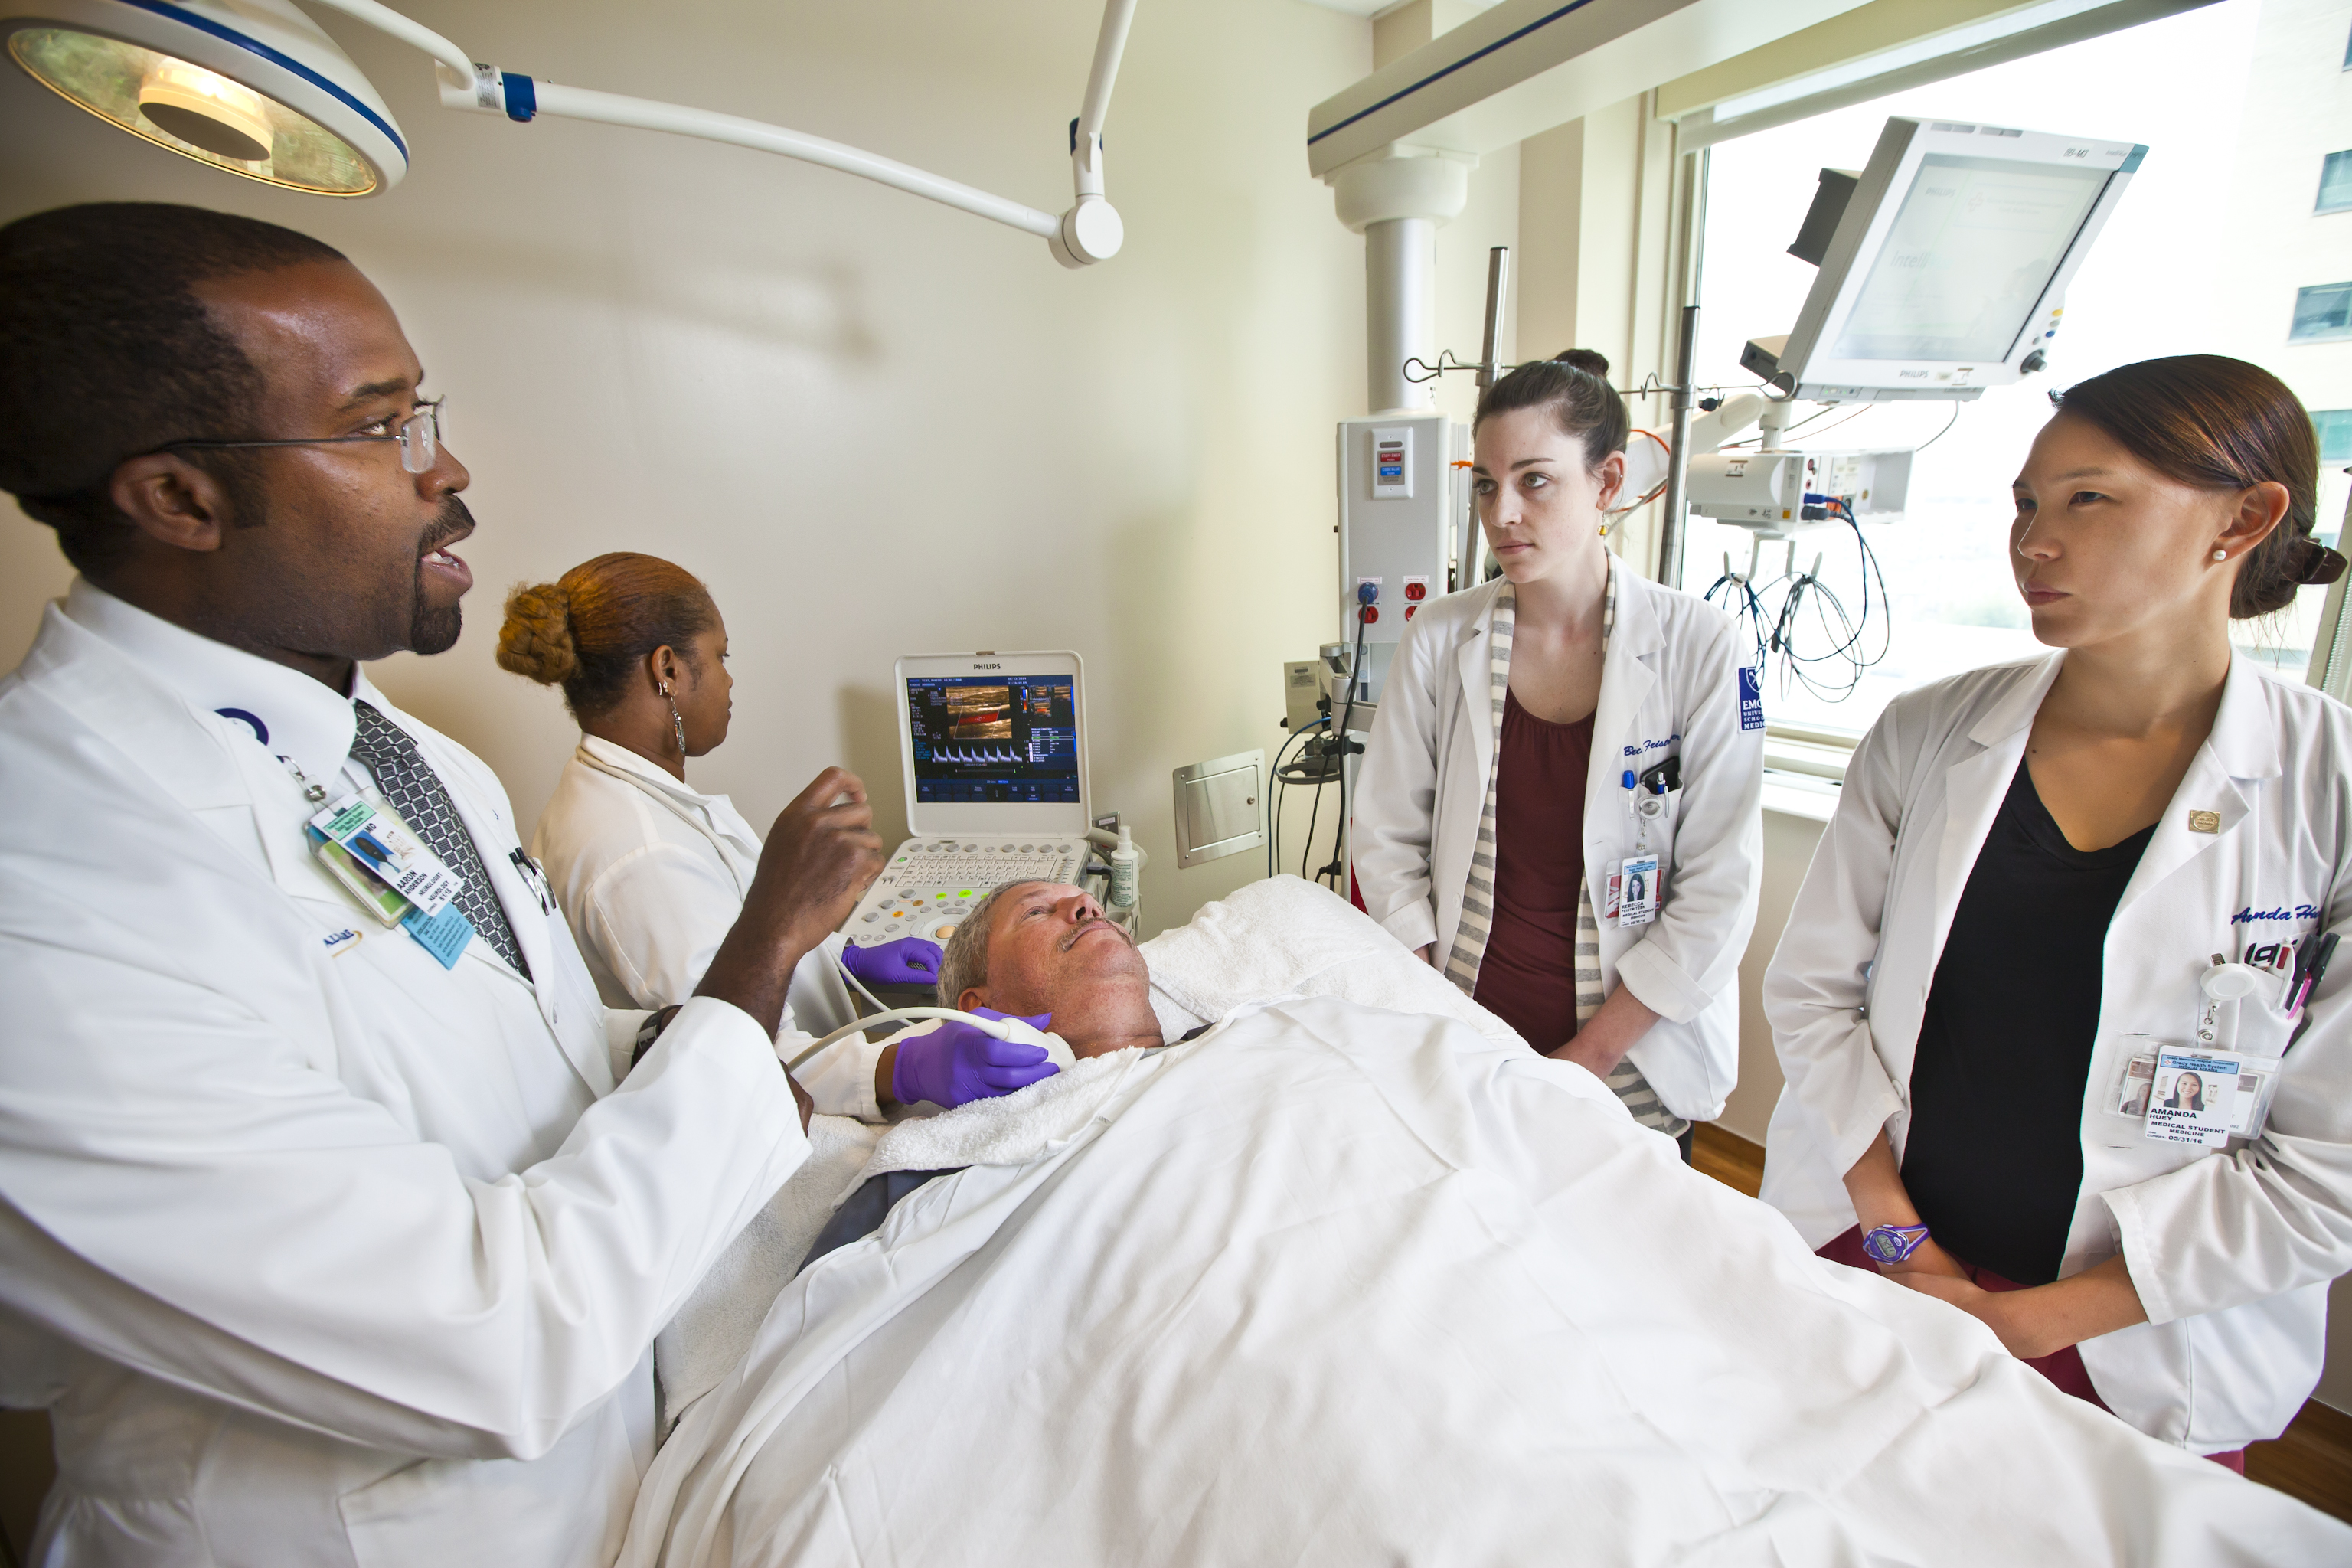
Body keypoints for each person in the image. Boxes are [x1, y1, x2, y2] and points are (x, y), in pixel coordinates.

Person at [0, 202, 887, 1564]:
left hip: (607, 1482)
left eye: (429, 413)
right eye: (378, 426)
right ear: (178, 496)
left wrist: (692, 1049)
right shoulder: (48, 874)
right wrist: (756, 963)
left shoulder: (400, 752)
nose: (447, 468)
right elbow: (496, 1333)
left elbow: (503, 1044)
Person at [1761, 354, 2352, 1469]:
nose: (2035, 539)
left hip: (2145, 1340)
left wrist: (2036, 1322)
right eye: (2027, 503)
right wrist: (1905, 1251)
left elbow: (2333, 1167)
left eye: (2090, 499)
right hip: (1881, 1253)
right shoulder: (1929, 734)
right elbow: (1813, 995)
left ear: (2245, 519)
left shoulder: (2332, 788)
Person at [1354, 349, 1765, 1155]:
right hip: (1467, 1040)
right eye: (1484, 482)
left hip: (1633, 1062)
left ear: (1607, 483)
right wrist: (1444, 1011)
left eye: (1535, 480)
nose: (1502, 511)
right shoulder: (1443, 637)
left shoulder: (1702, 646)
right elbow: (1386, 834)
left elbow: (1720, 886)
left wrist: (1590, 1057)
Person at [498, 554, 1045, 1117]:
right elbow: (739, 1052)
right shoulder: (639, 858)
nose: (731, 678)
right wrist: (903, 1068)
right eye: (720, 656)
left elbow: (742, 941)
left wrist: (843, 957)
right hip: (777, 1124)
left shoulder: (630, 799)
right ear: (668, 669)